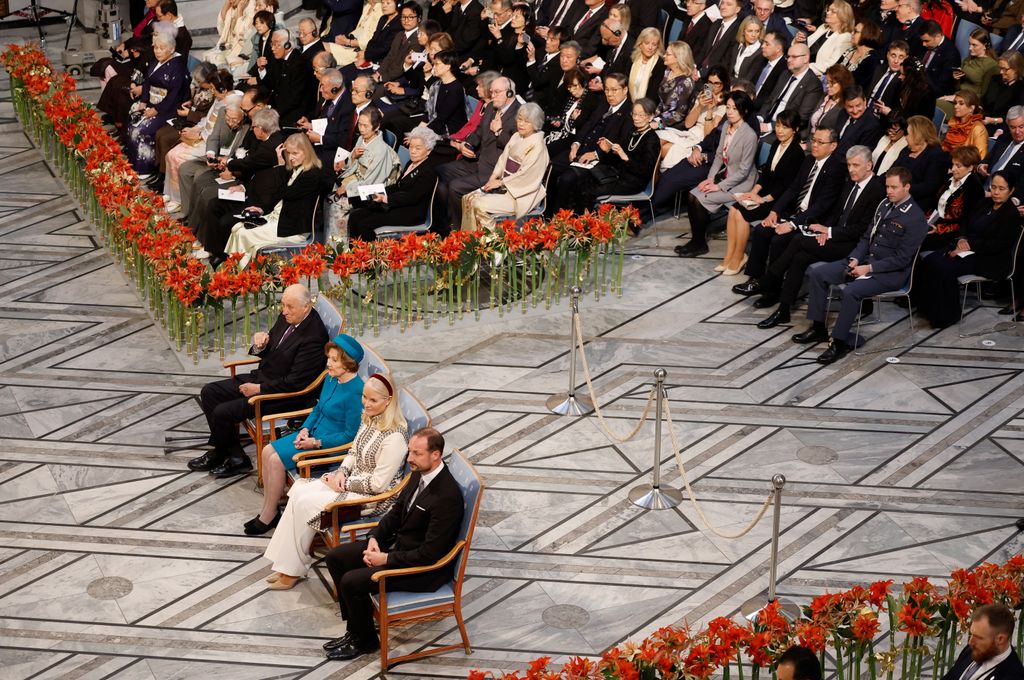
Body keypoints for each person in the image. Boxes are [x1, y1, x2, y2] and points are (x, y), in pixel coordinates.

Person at [322, 427, 465, 661]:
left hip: (422, 571)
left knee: (351, 582)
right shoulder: (420, 472)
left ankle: (366, 642)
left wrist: (386, 559)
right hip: (398, 547)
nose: (410, 459)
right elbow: (396, 513)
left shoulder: (446, 497)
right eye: (410, 452)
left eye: (417, 454)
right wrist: (375, 539)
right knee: (336, 557)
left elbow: (430, 554)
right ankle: (356, 630)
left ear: (436, 455)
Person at [263, 373, 408, 591]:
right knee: (298, 492)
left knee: (304, 503)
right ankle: (285, 566)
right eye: (365, 398)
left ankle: (291, 571)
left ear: (388, 401)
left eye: (373, 400)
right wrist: (341, 471)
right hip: (347, 482)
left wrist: (342, 483)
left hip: (371, 500)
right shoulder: (370, 418)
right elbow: (353, 451)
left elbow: (378, 485)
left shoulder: (395, 437)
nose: (366, 404)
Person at [188, 284, 329, 477]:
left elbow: (296, 383)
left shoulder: (314, 337)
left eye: (290, 307)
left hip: (283, 395)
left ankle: (232, 458)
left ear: (306, 307)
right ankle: (229, 453)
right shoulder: (290, 315)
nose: (284, 311)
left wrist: (259, 389)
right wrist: (260, 344)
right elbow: (272, 347)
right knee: (209, 392)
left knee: (222, 412)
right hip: (264, 378)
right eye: (283, 305)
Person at [792, 166, 928, 364]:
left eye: (894, 187)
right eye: (887, 186)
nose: (888, 191)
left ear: (907, 187)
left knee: (851, 291)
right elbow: (867, 238)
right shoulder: (884, 204)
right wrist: (856, 258)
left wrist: (869, 269)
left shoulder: (915, 218)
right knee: (818, 274)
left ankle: (839, 342)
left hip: (890, 272)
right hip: (865, 261)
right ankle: (818, 328)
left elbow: (902, 259)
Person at [753, 145, 887, 328]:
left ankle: (769, 278)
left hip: (854, 246)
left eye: (856, 165)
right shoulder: (850, 184)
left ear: (869, 165)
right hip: (836, 238)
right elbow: (836, 213)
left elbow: (863, 230)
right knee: (800, 258)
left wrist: (829, 232)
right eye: (849, 165)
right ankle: (783, 311)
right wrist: (827, 229)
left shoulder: (877, 191)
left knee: (798, 239)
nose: (851, 169)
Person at [247, 334, 365, 536]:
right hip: (311, 435)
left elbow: (350, 435)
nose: (328, 363)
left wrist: (316, 442)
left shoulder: (356, 391)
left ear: (348, 364)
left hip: (328, 447)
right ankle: (270, 507)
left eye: (334, 360)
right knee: (267, 451)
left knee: (275, 461)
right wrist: (305, 429)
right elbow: (318, 409)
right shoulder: (331, 378)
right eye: (329, 358)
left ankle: (268, 514)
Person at [732, 127, 846, 297]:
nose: (814, 145)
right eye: (813, 140)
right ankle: (755, 279)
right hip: (795, 212)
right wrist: (774, 211)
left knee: (780, 239)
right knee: (763, 230)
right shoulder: (809, 161)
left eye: (820, 142)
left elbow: (821, 206)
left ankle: (772, 291)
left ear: (833, 146)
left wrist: (792, 225)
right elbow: (793, 189)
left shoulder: (836, 169)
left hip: (813, 221)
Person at [915, 172, 1020, 328]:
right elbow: (965, 222)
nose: (996, 192)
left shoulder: (1010, 214)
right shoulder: (985, 203)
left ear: (1011, 191)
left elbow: (998, 245)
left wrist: (970, 246)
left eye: (1002, 188)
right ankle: (929, 309)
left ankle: (947, 316)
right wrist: (963, 239)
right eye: (993, 187)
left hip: (990, 259)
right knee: (930, 260)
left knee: (944, 268)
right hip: (967, 247)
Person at [223, 133, 334, 267]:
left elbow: (286, 193)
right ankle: (236, 269)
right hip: (279, 218)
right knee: (238, 228)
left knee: (243, 233)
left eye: (295, 153)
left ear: (306, 152)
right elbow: (278, 196)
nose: (291, 158)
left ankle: (243, 272)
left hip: (293, 228)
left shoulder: (312, 174)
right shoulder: (297, 169)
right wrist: (262, 209)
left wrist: (281, 166)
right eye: (288, 154)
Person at [719, 110, 805, 275]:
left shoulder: (797, 153)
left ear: (794, 129)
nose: (779, 130)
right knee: (733, 210)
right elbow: (765, 174)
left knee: (742, 215)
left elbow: (787, 186)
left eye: (785, 127)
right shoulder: (775, 144)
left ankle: (738, 258)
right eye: (778, 126)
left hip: (779, 201)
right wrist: (753, 192)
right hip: (764, 194)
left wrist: (763, 199)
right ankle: (729, 255)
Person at [676, 91, 759, 257]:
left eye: (734, 109)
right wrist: (710, 179)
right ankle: (696, 240)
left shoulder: (749, 135)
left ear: (744, 111)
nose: (729, 112)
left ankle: (699, 244)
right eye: (728, 107)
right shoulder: (726, 127)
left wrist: (718, 186)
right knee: (692, 195)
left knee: (700, 199)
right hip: (727, 177)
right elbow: (719, 156)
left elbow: (743, 171)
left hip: (742, 184)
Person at [437, 76, 521, 229]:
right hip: (479, 161)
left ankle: (459, 229)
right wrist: (469, 145)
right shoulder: (491, 107)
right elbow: (478, 131)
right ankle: (447, 223)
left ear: (509, 93)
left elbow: (515, 147)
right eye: (491, 92)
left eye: (497, 92)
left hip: (495, 170)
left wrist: (498, 131)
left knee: (455, 186)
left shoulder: (519, 114)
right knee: (441, 173)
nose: (493, 96)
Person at [462, 103, 549, 231]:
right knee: (467, 198)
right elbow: (503, 159)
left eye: (527, 121)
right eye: (519, 119)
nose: (521, 124)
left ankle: (492, 240)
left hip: (521, 194)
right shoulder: (516, 136)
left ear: (535, 123)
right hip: (506, 185)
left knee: (478, 204)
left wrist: (501, 183)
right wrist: (493, 177)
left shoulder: (538, 147)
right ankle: (470, 239)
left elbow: (525, 176)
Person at [348, 126, 443, 241]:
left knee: (364, 225)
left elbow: (412, 197)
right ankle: (354, 256)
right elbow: (399, 186)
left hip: (410, 212)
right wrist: (379, 190)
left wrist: (385, 198)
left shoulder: (428, 171)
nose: (412, 151)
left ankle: (370, 256)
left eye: (418, 148)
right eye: (411, 147)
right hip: (397, 203)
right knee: (354, 217)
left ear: (428, 150)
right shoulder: (411, 163)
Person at [573, 97, 661, 214]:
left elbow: (645, 170)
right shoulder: (633, 132)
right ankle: (579, 221)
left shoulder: (652, 139)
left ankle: (587, 225)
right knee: (582, 180)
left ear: (650, 117)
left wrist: (625, 157)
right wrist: (608, 149)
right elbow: (618, 159)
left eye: (641, 115)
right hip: (620, 174)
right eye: (634, 114)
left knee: (588, 190)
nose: (636, 118)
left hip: (634, 182)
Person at [125, 26, 190, 180]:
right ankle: (133, 163)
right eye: (156, 48)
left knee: (143, 130)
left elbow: (174, 95)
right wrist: (143, 101)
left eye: (162, 48)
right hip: (151, 104)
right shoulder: (156, 62)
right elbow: (147, 83)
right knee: (132, 124)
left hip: (168, 109)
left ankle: (145, 167)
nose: (158, 51)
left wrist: (156, 110)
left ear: (172, 49)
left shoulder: (178, 67)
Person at [657, 65, 728, 169]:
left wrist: (709, 110)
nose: (712, 86)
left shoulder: (725, 106)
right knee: (656, 140)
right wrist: (699, 106)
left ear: (723, 84)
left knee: (664, 149)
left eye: (716, 83)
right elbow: (688, 124)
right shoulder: (703, 96)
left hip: (701, 141)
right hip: (689, 133)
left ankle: (654, 178)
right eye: (710, 82)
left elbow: (709, 135)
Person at [921, 145, 984, 251]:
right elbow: (934, 204)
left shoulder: (974, 188)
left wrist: (939, 228)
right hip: (933, 223)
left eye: (958, 166)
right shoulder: (949, 179)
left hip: (951, 234)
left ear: (970, 167)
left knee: (916, 241)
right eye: (953, 164)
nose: (953, 169)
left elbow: (966, 220)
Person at [939, 604, 1024, 680]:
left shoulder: (1014, 676)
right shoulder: (972, 649)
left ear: (1000, 639)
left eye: (979, 637)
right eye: (971, 634)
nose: (970, 642)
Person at [895, 115, 949, 213]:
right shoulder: (906, 150)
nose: (905, 138)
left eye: (907, 134)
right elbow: (892, 171)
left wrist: (901, 190)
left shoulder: (936, 155)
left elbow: (929, 187)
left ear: (918, 134)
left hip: (917, 203)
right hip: (895, 194)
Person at [653, 41, 696, 131]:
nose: (664, 56)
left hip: (672, 126)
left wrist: (659, 125)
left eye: (668, 54)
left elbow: (679, 115)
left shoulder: (685, 83)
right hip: (658, 118)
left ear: (678, 58)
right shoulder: (667, 73)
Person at [804, 0, 855, 75]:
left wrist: (804, 67)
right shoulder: (823, 27)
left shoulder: (845, 37)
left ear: (843, 16)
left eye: (833, 11)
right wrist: (799, 41)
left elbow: (830, 64)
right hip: (802, 64)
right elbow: (806, 45)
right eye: (828, 10)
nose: (827, 13)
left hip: (815, 74)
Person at [203, 0, 255, 74]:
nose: (230, 1)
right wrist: (227, 4)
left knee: (217, 62)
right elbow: (222, 25)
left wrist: (239, 10)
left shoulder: (251, 7)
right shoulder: (233, 6)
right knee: (207, 56)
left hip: (241, 46)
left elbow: (242, 33)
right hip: (230, 44)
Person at [981, 106, 1024, 190]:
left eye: (1021, 127)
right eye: (1013, 127)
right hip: (984, 187)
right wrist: (981, 166)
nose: (1017, 131)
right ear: (1008, 126)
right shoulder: (1003, 139)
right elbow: (987, 159)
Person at [982, 51, 1024, 134]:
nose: (1001, 72)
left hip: (1004, 126)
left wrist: (993, 120)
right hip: (984, 120)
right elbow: (984, 101)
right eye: (1000, 68)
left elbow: (1016, 116)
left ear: (1016, 69)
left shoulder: (1021, 88)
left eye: (1005, 69)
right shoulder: (995, 79)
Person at [941, 91, 989, 158]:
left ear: (971, 108)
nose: (955, 106)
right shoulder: (955, 123)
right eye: (955, 103)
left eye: (961, 104)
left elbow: (980, 157)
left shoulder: (978, 128)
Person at [809, 65, 854, 134]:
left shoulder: (845, 107)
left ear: (843, 83)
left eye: (832, 83)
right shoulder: (823, 98)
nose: (827, 86)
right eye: (827, 82)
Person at [839, 20, 883, 90]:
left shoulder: (872, 61)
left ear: (867, 34)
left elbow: (861, 87)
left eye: (856, 31)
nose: (852, 33)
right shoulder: (849, 51)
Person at [628, 27, 666, 102]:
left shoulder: (660, 65)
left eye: (654, 44)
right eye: (647, 43)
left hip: (647, 106)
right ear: (640, 44)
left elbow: (653, 94)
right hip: (629, 103)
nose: (650, 47)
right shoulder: (633, 59)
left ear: (658, 46)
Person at [732, 16, 765, 82]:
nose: (753, 35)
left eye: (757, 31)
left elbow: (749, 79)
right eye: (750, 31)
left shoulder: (760, 53)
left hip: (743, 87)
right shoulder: (737, 46)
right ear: (743, 32)